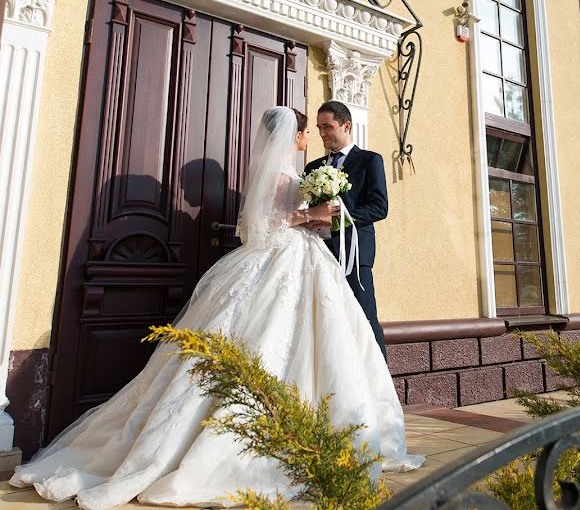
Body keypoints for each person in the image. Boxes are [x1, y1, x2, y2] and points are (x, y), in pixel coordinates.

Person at [10, 107, 424, 510]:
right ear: (292, 136)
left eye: (321, 128)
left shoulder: (313, 167)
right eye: (306, 131)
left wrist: (315, 218)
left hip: (312, 257)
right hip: (286, 259)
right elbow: (264, 225)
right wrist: (310, 215)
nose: (311, 137)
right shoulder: (288, 172)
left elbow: (336, 211)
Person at [305, 101, 388, 358]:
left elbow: (379, 207)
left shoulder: (369, 160)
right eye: (319, 128)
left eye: (328, 127)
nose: (322, 134)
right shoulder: (312, 168)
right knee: (327, 317)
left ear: (346, 125)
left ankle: (381, 384)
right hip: (320, 254)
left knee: (364, 316)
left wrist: (337, 218)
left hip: (355, 254)